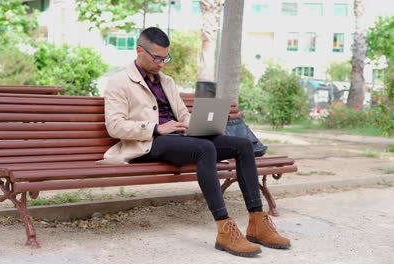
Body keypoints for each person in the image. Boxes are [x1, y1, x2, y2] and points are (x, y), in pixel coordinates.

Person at [100, 27, 290, 257]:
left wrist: (196, 124)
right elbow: (115, 125)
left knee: (241, 144)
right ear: (139, 50)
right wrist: (156, 128)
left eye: (165, 58)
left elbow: (182, 114)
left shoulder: (167, 82)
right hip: (150, 143)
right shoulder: (119, 82)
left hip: (181, 139)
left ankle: (257, 222)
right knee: (205, 149)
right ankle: (224, 228)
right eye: (157, 58)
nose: (162, 63)